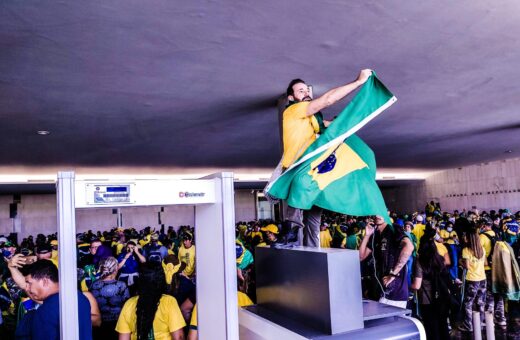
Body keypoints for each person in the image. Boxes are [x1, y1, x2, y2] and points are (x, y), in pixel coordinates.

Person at [282, 69, 373, 247]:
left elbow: (331, 126)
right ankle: (291, 234)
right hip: (298, 167)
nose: (306, 93)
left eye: (307, 90)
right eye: (301, 91)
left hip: (313, 169)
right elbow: (328, 99)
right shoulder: (294, 110)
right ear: (292, 97)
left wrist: (360, 115)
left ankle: (312, 251)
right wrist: (358, 82)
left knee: (314, 218)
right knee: (297, 204)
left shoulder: (312, 120)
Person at [22, 260, 92, 340]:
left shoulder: (45, 311)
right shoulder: (80, 298)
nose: (27, 288)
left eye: (29, 283)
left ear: (45, 281)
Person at [116, 262, 185, 340]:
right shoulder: (169, 302)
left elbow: (123, 338)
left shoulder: (129, 304)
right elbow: (178, 337)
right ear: (161, 280)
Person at [359, 216, 414, 308]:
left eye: (380, 213)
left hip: (394, 291)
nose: (377, 216)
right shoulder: (375, 235)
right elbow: (361, 256)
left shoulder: (393, 228)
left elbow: (409, 247)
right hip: (379, 289)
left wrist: (393, 274)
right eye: (375, 213)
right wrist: (367, 235)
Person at [411, 231, 451, 340]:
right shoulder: (440, 259)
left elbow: (417, 286)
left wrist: (409, 286)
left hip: (427, 300)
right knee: (443, 326)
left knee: (431, 328)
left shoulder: (420, 262)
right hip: (442, 298)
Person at [91, 256, 130, 340]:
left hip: (99, 326)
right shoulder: (121, 285)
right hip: (117, 325)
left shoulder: (94, 285)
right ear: (116, 269)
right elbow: (127, 306)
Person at [459, 227, 487, 333]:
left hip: (472, 279)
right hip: (482, 278)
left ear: (470, 239)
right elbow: (484, 263)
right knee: (480, 302)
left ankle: (468, 326)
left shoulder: (466, 250)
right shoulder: (482, 249)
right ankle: (480, 324)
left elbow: (466, 266)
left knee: (468, 303)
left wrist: (460, 261)